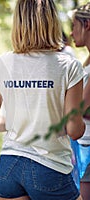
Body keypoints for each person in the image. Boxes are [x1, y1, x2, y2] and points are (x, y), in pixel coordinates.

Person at [0, 0, 86, 199]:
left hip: (8, 167)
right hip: (50, 168)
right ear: (51, 21)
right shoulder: (69, 66)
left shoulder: (2, 63)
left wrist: (22, 124)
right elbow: (74, 131)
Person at [70, 2, 90, 199]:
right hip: (83, 143)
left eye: (73, 26)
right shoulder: (86, 61)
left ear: (87, 25)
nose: (71, 33)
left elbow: (81, 108)